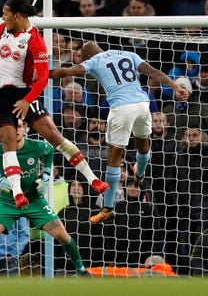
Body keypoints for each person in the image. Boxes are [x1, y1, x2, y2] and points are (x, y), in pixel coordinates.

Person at [0, 0, 108, 209]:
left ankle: (93, 179)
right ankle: (18, 193)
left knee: (54, 136)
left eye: (5, 13)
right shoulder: (2, 29)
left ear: (17, 15)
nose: (2, 16)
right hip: (2, 96)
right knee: (8, 139)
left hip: (26, 94)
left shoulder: (35, 40)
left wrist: (27, 100)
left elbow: (42, 79)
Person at [50, 41, 189, 223]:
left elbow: (68, 72)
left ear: (87, 57)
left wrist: (44, 75)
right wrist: (175, 87)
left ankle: (107, 208)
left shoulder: (95, 60)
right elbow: (153, 71)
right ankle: (140, 172)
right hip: (142, 104)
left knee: (114, 159)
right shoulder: (127, 53)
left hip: (121, 107)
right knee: (142, 144)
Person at [0, 119, 90, 276]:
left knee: (63, 236)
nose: (16, 130)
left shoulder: (37, 146)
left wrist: (45, 177)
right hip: (8, 202)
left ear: (25, 129)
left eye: (20, 127)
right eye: (12, 127)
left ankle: (81, 270)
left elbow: (49, 152)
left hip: (34, 200)